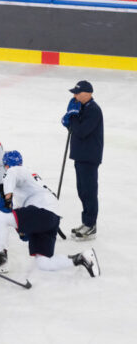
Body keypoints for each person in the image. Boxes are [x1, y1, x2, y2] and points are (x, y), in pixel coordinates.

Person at [0, 151, 99, 279]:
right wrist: (24, 230)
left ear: (7, 165)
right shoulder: (29, 178)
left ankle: (1, 259)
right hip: (51, 216)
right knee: (44, 263)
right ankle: (81, 258)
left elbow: (12, 172)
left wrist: (7, 200)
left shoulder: (17, 170)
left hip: (42, 211)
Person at [62, 80, 102, 240]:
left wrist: (72, 117)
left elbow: (81, 131)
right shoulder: (83, 107)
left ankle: (91, 225)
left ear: (87, 94)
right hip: (81, 155)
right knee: (82, 190)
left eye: (77, 93)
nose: (74, 95)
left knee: (89, 191)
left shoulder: (93, 110)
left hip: (89, 157)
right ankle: (86, 222)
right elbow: (74, 128)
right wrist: (69, 119)